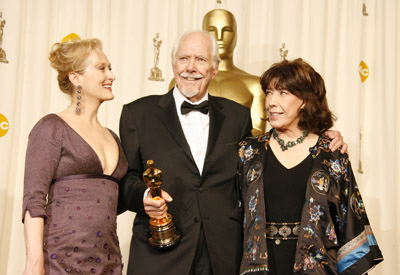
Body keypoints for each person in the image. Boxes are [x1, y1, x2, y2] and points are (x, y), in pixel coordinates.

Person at [119, 30, 346, 275]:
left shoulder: (237, 116)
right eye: (184, 58)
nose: (191, 67)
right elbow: (125, 180)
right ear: (173, 63)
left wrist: (321, 136)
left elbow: (267, 159)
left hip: (223, 256)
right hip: (161, 253)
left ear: (215, 69)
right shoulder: (137, 114)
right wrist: (144, 196)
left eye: (201, 60)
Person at [237, 58, 383, 274]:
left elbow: (350, 224)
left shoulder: (332, 155)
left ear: (304, 100)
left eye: (283, 93)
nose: (271, 103)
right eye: (269, 92)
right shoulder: (247, 152)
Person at [22, 37, 128, 274]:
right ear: (75, 78)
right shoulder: (52, 127)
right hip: (59, 261)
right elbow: (33, 199)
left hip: (108, 261)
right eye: (101, 68)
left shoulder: (113, 137)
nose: (111, 75)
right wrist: (34, 263)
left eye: (110, 68)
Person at [170, 9, 267, 135]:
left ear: (236, 36)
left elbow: (257, 135)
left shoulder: (255, 85)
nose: (219, 37)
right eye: (212, 30)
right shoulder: (183, 80)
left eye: (227, 30)